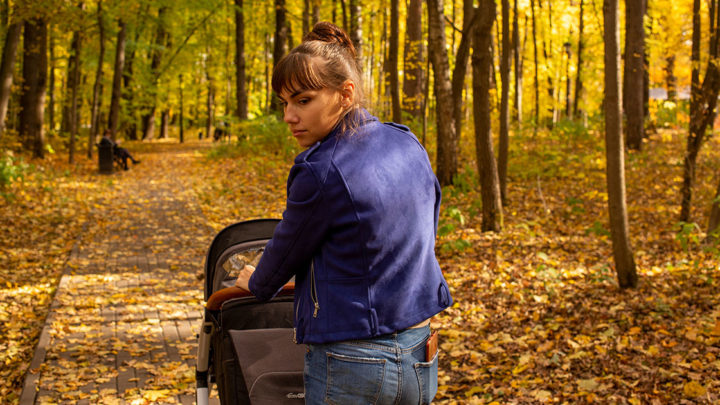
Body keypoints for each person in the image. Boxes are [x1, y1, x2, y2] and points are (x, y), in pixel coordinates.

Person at [234, 22, 452, 404]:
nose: (289, 116)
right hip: (421, 352)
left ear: (345, 94)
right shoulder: (406, 141)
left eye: (303, 101)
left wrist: (253, 282)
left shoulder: (319, 169)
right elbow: (423, 230)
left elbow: (281, 259)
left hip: (352, 361)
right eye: (284, 103)